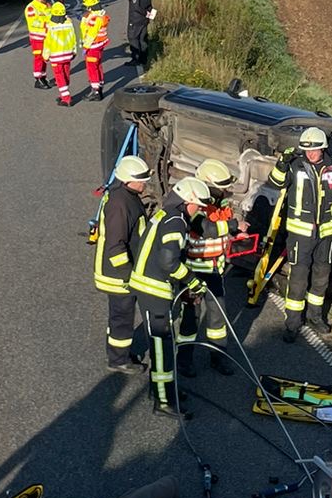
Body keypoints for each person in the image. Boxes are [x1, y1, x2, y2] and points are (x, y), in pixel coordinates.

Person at [270, 125, 332, 341]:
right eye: (307, 150)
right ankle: (292, 323)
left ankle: (315, 317)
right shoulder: (295, 166)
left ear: (323, 149)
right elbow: (275, 183)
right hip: (300, 234)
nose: (310, 154)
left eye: (315, 150)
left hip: (327, 234)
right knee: (298, 278)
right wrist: (282, 163)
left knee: (321, 277)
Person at [129, 173, 207, 413]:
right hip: (154, 289)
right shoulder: (177, 221)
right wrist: (193, 282)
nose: (198, 211)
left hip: (146, 285)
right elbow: (168, 261)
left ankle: (163, 389)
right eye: (197, 206)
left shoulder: (165, 214)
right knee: (162, 347)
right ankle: (163, 401)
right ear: (188, 201)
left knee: (161, 344)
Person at [95, 153, 152, 369]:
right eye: (142, 180)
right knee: (122, 317)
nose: (145, 183)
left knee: (120, 316)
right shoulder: (120, 205)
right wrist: (129, 275)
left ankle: (118, 354)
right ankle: (118, 360)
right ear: (129, 179)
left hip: (121, 272)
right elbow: (115, 246)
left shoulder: (125, 197)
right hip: (118, 275)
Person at [188, 157, 237, 369]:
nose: (226, 192)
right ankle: (183, 360)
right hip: (193, 272)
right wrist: (234, 225)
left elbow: (223, 233)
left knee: (218, 319)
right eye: (222, 188)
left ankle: (218, 356)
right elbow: (206, 229)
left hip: (215, 270)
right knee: (190, 319)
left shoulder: (223, 205)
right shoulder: (195, 207)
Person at [45, 0, 78, 105]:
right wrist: (74, 51)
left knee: (59, 77)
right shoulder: (69, 23)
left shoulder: (50, 25)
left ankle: (66, 98)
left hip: (56, 56)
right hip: (68, 54)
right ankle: (64, 92)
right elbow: (73, 38)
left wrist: (45, 55)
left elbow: (47, 42)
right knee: (66, 74)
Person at [79, 0, 109, 99]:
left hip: (93, 46)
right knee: (98, 66)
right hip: (99, 45)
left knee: (92, 68)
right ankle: (99, 87)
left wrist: (85, 47)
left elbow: (91, 34)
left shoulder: (94, 19)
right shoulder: (100, 15)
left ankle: (95, 91)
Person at [24, 0, 52, 89]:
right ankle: (38, 78)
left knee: (45, 57)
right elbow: (33, 22)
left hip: (46, 36)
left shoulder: (46, 5)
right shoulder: (31, 8)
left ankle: (43, 76)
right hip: (37, 38)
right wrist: (46, 24)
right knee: (38, 58)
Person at [125, 0, 155, 67]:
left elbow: (136, 7)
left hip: (135, 20)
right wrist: (149, 15)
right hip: (144, 21)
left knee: (133, 38)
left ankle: (136, 58)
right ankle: (144, 58)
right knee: (142, 39)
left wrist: (145, 13)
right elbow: (150, 6)